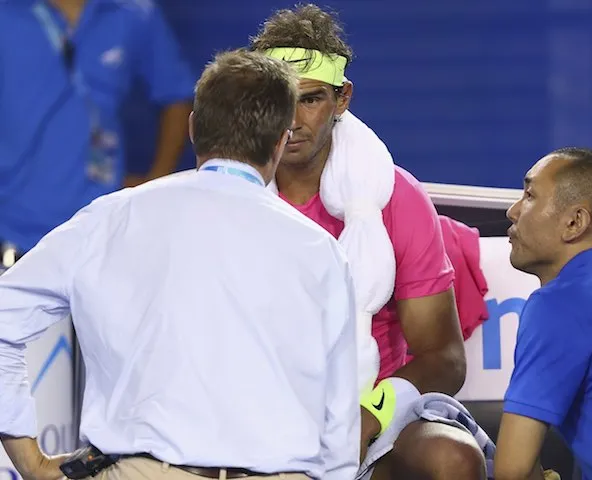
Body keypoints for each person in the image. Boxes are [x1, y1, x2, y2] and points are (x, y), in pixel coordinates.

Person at [0, 50, 360, 480]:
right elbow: (338, 432)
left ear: (192, 128)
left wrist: (32, 464)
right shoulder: (321, 251)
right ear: (281, 142)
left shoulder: (110, 220)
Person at [250, 5, 491, 480]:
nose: (291, 120)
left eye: (311, 99)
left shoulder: (397, 195)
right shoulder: (229, 195)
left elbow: (444, 357)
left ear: (342, 99)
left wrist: (369, 415)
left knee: (453, 459)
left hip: (374, 408)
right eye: (279, 100)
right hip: (258, 406)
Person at [0, 0, 194, 265]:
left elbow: (177, 94)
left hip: (100, 239)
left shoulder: (132, 12)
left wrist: (156, 181)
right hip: (11, 235)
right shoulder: (6, 12)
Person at [495, 148, 592, 480]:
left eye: (529, 195)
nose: (512, 211)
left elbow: (513, 471)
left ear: (574, 223)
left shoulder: (561, 303)